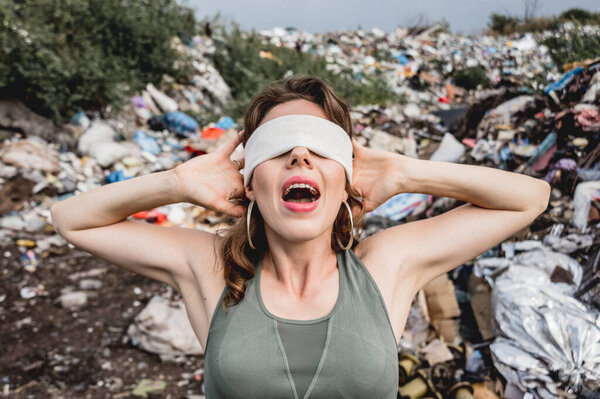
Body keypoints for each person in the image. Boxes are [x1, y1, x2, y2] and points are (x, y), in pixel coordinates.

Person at [51, 76, 551, 398]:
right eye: (277, 146)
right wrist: (178, 182)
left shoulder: (385, 266)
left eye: (320, 147)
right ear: (247, 179)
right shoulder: (208, 267)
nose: (300, 156)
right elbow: (72, 219)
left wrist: (403, 171)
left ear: (347, 178)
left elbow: (529, 198)